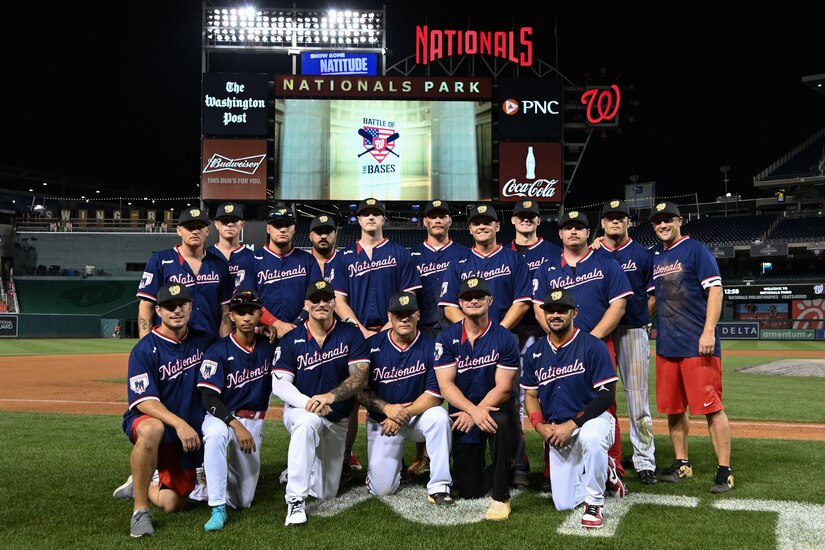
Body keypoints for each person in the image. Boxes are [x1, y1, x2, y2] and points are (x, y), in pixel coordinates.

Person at [531, 209, 632, 496]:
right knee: (553, 406)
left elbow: (618, 306)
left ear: (589, 233)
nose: (573, 232)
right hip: (558, 348)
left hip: (599, 345)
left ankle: (611, 467)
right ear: (560, 233)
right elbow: (539, 308)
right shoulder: (547, 268)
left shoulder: (607, 263)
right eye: (567, 228)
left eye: (579, 228)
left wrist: (589, 341)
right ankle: (555, 470)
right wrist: (560, 339)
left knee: (604, 407)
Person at [113, 282, 219, 537]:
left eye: (181, 305)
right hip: (159, 424)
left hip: (188, 433)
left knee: (173, 505)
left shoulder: (205, 341)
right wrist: (180, 424)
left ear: (190, 307)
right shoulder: (144, 349)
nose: (176, 311)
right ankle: (140, 510)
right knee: (151, 428)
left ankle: (143, 481)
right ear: (158, 311)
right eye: (169, 307)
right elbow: (144, 401)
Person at [329, 198, 422, 483]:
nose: (371, 218)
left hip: (391, 333)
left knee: (393, 389)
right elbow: (338, 300)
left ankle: (404, 456)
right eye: (365, 214)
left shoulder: (399, 253)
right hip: (354, 335)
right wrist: (359, 329)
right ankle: (344, 458)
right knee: (353, 397)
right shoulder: (345, 257)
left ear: (384, 219)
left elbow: (410, 298)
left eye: (376, 214)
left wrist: (385, 329)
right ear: (358, 220)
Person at [649, 201, 734, 493]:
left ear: (680, 221)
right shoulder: (656, 257)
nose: (663, 225)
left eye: (668, 220)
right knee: (673, 409)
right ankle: (682, 463)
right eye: (658, 221)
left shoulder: (697, 250)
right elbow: (652, 301)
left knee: (712, 408)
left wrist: (708, 331)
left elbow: (715, 290)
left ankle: (725, 470)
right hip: (667, 345)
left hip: (698, 345)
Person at [271, 280, 370, 526]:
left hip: (337, 416)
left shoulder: (351, 333)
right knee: (308, 423)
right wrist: (311, 402)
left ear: (335, 303)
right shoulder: (292, 338)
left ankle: (299, 467)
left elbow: (359, 377)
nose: (321, 304)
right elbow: (280, 384)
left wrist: (330, 397)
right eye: (315, 300)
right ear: (306, 304)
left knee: (327, 493)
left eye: (327, 299)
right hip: (300, 411)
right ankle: (295, 500)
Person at [522, 288, 622, 529]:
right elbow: (531, 396)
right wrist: (539, 425)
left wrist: (573, 424)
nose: (555, 315)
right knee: (563, 503)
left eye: (562, 311)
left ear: (574, 313)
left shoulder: (592, 345)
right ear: (544, 314)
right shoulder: (535, 352)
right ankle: (604, 470)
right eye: (550, 311)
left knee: (590, 436)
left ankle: (594, 503)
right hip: (559, 431)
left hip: (594, 421)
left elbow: (607, 395)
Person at [434, 276, 520, 521]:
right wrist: (472, 411)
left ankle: (502, 497)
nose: (474, 301)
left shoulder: (504, 338)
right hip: (463, 411)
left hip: (494, 407)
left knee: (500, 421)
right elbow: (446, 385)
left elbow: (503, 388)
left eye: (479, 297)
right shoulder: (446, 338)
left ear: (489, 300)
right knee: (470, 490)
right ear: (460, 303)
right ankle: (505, 467)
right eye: (468, 297)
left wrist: (477, 411)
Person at [357, 291, 454, 505]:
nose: (404, 318)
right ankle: (392, 471)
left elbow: (435, 395)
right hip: (382, 421)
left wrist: (400, 414)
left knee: (440, 417)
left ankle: (440, 486)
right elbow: (360, 390)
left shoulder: (432, 345)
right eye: (399, 314)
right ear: (389, 316)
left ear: (418, 315)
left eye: (409, 313)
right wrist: (386, 409)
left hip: (416, 417)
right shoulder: (371, 346)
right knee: (382, 489)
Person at [197, 288, 274, 531]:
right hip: (221, 415)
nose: (247, 317)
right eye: (240, 312)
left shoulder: (268, 346)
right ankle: (217, 506)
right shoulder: (218, 350)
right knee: (217, 435)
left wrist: (270, 329)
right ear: (232, 316)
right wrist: (235, 424)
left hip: (254, 420)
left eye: (252, 311)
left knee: (243, 501)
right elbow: (208, 397)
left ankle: (210, 479)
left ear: (260, 313)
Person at [596, 199, 657, 484]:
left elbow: (653, 296)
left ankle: (645, 460)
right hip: (601, 334)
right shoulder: (593, 254)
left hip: (632, 330)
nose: (615, 222)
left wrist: (641, 317)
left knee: (637, 398)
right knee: (600, 398)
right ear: (603, 223)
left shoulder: (642, 254)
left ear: (629, 222)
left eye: (621, 218)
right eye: (610, 218)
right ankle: (603, 456)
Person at [407, 199, 470, 475]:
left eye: (442, 216)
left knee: (460, 392)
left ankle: (461, 454)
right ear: (425, 223)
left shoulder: (464, 254)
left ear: (449, 222)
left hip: (455, 329)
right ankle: (423, 455)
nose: (437, 221)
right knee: (424, 392)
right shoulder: (414, 256)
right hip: (425, 331)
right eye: (432, 217)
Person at [508, 199, 562, 489]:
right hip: (513, 335)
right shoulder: (504, 254)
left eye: (531, 217)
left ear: (539, 221)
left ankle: (553, 468)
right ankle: (519, 465)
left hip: (545, 334)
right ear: (513, 221)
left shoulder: (555, 252)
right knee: (514, 402)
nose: (526, 220)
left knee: (550, 399)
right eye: (521, 217)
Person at [307, 213, 364, 476]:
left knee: (348, 396)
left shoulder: (344, 260)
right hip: (306, 334)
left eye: (328, 231)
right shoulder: (303, 262)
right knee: (303, 395)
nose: (323, 235)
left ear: (335, 235)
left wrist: (352, 328)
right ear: (310, 236)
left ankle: (343, 450)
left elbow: (344, 299)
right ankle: (303, 453)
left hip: (341, 332)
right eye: (318, 231)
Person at [137, 207, 233, 339]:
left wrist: (224, 346)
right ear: (179, 231)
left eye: (199, 227)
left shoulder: (219, 264)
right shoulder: (160, 260)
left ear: (207, 231)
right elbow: (146, 306)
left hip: (209, 343)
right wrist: (145, 343)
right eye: (189, 227)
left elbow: (225, 311)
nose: (194, 231)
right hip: (172, 344)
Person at [247, 206, 324, 340]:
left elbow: (316, 298)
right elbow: (247, 299)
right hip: (264, 334)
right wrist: (275, 324)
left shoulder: (307, 260)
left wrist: (295, 325)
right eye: (277, 225)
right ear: (268, 228)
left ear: (294, 229)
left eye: (287, 225)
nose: (283, 229)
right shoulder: (251, 260)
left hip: (301, 331)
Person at [208, 202, 255, 290]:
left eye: (234, 220)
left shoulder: (253, 257)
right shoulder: (205, 256)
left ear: (242, 225)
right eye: (225, 221)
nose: (229, 224)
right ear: (216, 224)